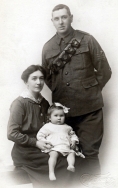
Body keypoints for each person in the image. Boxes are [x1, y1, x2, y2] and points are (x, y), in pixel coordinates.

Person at [42, 4, 112, 176]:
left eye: (64, 17)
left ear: (71, 18)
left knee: (89, 154)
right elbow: (48, 77)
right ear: (52, 21)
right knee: (66, 154)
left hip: (90, 111)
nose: (61, 22)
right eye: (57, 19)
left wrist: (90, 91)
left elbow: (105, 71)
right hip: (63, 114)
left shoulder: (87, 40)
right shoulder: (48, 47)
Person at [7, 65, 74, 188]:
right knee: (58, 163)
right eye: (34, 78)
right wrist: (35, 143)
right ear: (26, 81)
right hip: (25, 151)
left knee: (66, 158)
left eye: (41, 78)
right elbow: (12, 133)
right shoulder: (19, 103)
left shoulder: (44, 103)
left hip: (43, 146)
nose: (38, 82)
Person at [37, 103, 85, 181]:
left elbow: (73, 135)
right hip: (54, 147)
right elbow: (40, 136)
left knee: (72, 153)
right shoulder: (47, 127)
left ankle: (70, 165)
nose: (59, 118)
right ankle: (51, 172)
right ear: (49, 117)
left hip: (65, 147)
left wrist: (73, 141)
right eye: (56, 116)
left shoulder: (67, 127)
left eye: (61, 116)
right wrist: (46, 142)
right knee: (53, 155)